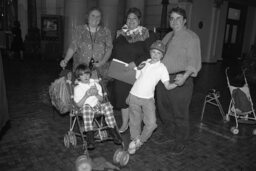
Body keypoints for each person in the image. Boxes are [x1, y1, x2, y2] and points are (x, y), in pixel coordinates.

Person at [156, 7, 201, 155]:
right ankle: (169, 133)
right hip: (163, 78)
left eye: (178, 18)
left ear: (185, 20)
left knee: (179, 112)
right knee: (164, 110)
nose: (174, 21)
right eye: (172, 18)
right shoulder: (168, 36)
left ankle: (181, 141)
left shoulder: (191, 37)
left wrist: (186, 75)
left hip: (180, 78)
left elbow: (194, 60)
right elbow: (159, 55)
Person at [126, 40, 178, 154]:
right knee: (134, 121)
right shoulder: (145, 62)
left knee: (152, 124)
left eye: (158, 53)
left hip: (148, 99)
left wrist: (177, 83)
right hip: (134, 96)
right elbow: (137, 79)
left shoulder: (162, 68)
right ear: (150, 52)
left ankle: (140, 141)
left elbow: (168, 86)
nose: (155, 55)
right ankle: (134, 142)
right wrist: (130, 94)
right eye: (153, 52)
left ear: (162, 55)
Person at [111, 7, 157, 133]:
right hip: (121, 72)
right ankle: (125, 123)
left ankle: (135, 124)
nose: (131, 21)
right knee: (122, 99)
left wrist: (135, 63)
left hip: (138, 72)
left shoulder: (146, 34)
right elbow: (114, 50)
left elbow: (150, 53)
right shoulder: (121, 34)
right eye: (128, 18)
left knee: (136, 99)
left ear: (139, 20)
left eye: (134, 18)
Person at [73, 64, 122, 150]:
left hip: (96, 107)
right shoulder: (78, 88)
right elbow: (78, 105)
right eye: (82, 74)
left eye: (87, 74)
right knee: (87, 108)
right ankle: (90, 138)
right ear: (78, 77)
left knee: (107, 105)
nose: (86, 76)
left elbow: (101, 99)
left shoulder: (96, 85)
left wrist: (96, 94)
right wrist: (86, 95)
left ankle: (113, 131)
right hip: (84, 109)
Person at [60, 7, 113, 82]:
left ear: (101, 18)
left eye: (98, 16)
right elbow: (73, 46)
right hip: (82, 70)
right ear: (87, 16)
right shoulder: (79, 30)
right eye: (93, 15)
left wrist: (102, 62)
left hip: (100, 70)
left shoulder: (106, 31)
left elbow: (109, 49)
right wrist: (65, 60)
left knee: (98, 92)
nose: (95, 18)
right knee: (81, 91)